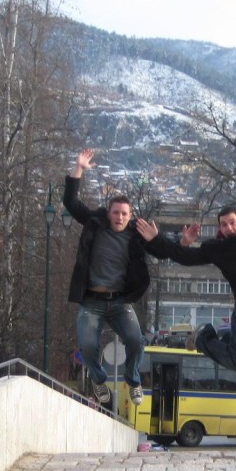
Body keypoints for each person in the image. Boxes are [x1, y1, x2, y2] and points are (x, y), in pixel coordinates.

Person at [135, 136, 236, 379]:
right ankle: (204, 336)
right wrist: (158, 239)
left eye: (231, 223)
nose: (227, 228)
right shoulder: (218, 248)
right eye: (223, 225)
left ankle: (227, 338)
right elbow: (186, 257)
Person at [63, 148, 151, 407]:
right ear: (109, 212)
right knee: (88, 347)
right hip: (92, 301)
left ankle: (133, 381)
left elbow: (162, 247)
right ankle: (99, 380)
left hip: (121, 302)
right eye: (116, 213)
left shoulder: (136, 235)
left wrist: (184, 241)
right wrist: (78, 168)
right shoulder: (95, 223)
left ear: (130, 215)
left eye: (124, 214)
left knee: (136, 341)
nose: (120, 217)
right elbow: (71, 202)